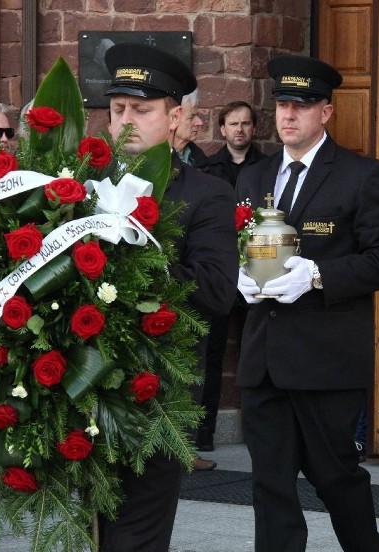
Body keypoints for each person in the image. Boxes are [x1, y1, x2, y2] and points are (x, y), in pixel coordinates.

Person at [235, 55, 379, 552]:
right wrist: (238, 277)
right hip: (263, 359)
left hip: (326, 360)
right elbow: (236, 245)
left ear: (325, 113)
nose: (288, 116)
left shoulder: (359, 175)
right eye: (282, 105)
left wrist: (319, 274)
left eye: (301, 106)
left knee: (335, 477)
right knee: (270, 484)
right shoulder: (255, 177)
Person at [100, 42, 238, 551]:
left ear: (175, 116)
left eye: (142, 109)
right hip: (79, 388)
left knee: (135, 538)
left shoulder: (204, 194)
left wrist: (133, 265)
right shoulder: (81, 187)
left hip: (156, 392)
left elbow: (219, 289)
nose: (127, 121)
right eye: (118, 110)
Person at [195, 101, 267, 452]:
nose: (239, 130)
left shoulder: (270, 168)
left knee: (261, 348)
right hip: (222, 273)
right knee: (211, 351)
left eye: (246, 123)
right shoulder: (208, 169)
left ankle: (263, 432)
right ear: (221, 129)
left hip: (259, 270)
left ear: (254, 128)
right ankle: (204, 434)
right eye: (233, 124)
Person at [170, 90, 207, 167]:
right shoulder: (153, 161)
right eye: (191, 117)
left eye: (197, 116)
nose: (200, 122)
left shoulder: (199, 159)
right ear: (174, 119)